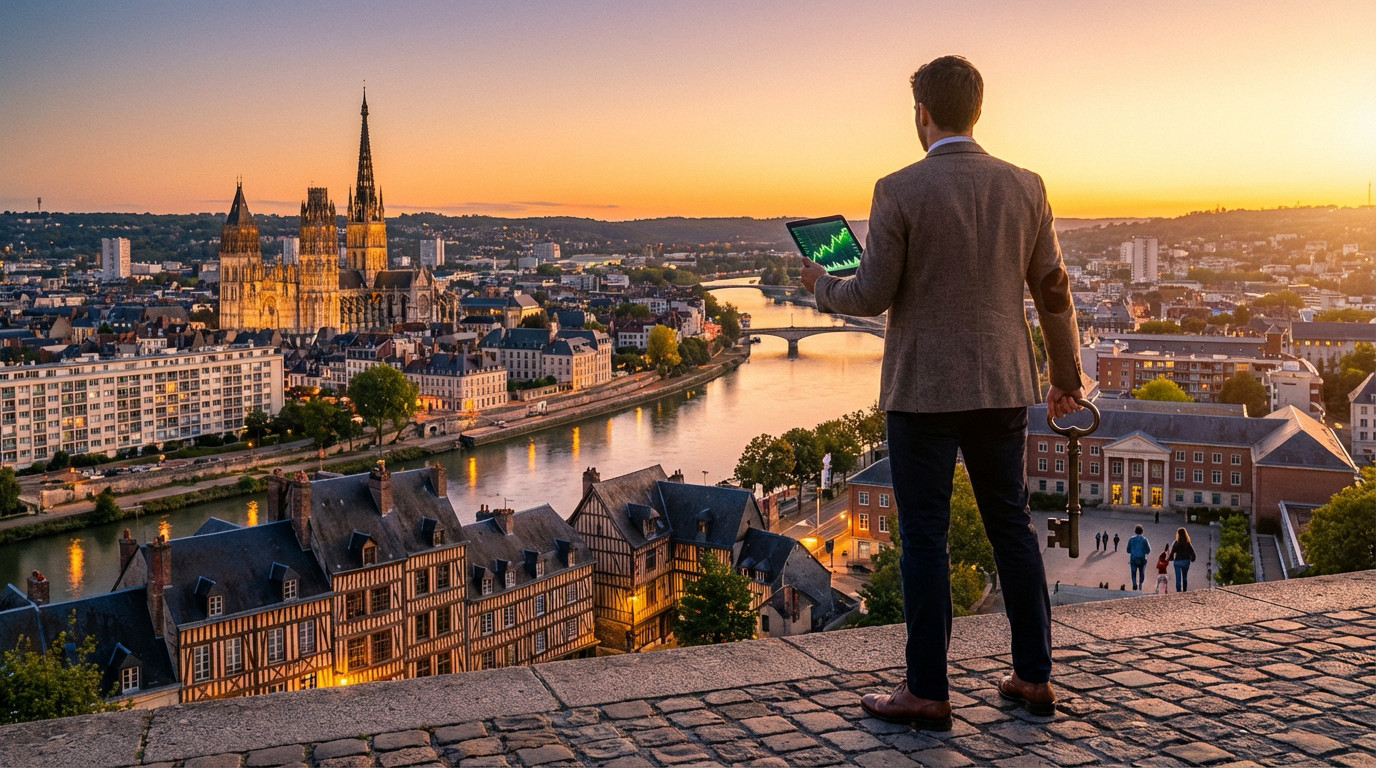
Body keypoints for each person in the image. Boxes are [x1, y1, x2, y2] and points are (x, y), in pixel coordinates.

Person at [801, 55, 1084, 729]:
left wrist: (819, 284)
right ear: (977, 112)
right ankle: (1034, 676)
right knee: (1010, 526)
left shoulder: (898, 189)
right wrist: (1066, 376)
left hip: (923, 389)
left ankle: (927, 690)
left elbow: (870, 294)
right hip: (1004, 386)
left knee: (924, 537)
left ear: (921, 115)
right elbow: (1053, 290)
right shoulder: (1027, 186)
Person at [1167, 527, 1197, 591]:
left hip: (1177, 562)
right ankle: (1184, 591)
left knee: (1178, 578)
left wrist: (1170, 558)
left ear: (1178, 534)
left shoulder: (1176, 543)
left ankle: (1178, 591)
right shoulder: (1187, 543)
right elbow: (1193, 553)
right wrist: (1192, 559)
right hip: (1186, 561)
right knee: (1185, 576)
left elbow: (1172, 554)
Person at [1125, 525, 1150, 590]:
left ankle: (1134, 584)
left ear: (1135, 531)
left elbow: (1128, 550)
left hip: (1133, 558)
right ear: (1142, 531)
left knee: (1133, 572)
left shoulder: (1131, 539)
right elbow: (1148, 550)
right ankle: (1140, 585)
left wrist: (1133, 552)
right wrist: (1144, 552)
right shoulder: (1145, 540)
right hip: (1142, 558)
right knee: (1142, 572)